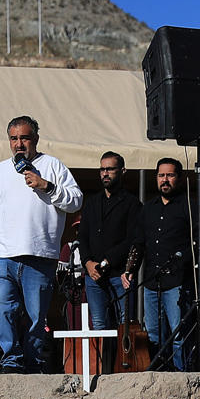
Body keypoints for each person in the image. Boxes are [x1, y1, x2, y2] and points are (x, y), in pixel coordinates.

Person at [0, 115, 84, 373]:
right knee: (0, 306)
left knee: (35, 317)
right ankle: (10, 360)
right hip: (5, 256)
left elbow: (76, 201)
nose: (19, 144)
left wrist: (47, 186)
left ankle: (33, 363)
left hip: (40, 256)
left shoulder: (53, 165)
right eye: (14, 138)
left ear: (36, 139)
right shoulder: (1, 169)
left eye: (24, 138)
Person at [132, 158, 195, 371]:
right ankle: (159, 375)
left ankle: (182, 377)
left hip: (178, 281)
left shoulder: (189, 206)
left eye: (169, 175)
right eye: (161, 175)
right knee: (153, 334)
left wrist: (181, 260)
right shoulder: (148, 208)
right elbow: (139, 242)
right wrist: (130, 270)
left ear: (179, 178)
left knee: (178, 334)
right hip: (151, 281)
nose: (165, 180)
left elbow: (198, 243)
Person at [77, 151, 136, 369]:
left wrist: (107, 261)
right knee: (99, 325)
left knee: (123, 325)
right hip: (94, 275)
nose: (105, 173)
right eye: (102, 169)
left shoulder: (131, 203)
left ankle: (122, 369)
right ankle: (102, 371)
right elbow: (82, 236)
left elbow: (132, 239)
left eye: (110, 169)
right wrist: (88, 262)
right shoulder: (92, 202)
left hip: (118, 273)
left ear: (122, 171)